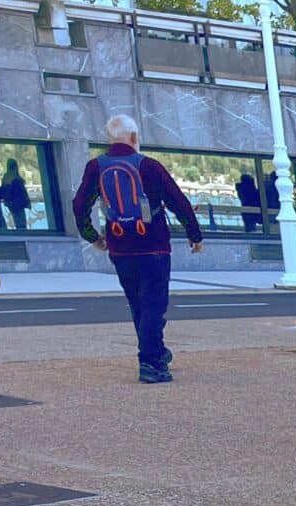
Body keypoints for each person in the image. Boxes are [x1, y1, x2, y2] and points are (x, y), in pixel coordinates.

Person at [73, 114, 203, 384]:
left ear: (109, 139)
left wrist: (92, 236)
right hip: (153, 245)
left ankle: (157, 351)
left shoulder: (96, 166)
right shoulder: (149, 165)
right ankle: (151, 363)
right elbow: (177, 201)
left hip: (119, 246)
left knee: (139, 304)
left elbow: (79, 205)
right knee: (154, 304)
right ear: (134, 137)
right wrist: (194, 235)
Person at [0, 160, 29, 232]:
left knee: (19, 221)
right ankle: (22, 234)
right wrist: (26, 202)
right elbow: (21, 192)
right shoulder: (14, 177)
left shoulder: (6, 176)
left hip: (13, 203)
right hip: (17, 203)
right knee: (21, 223)